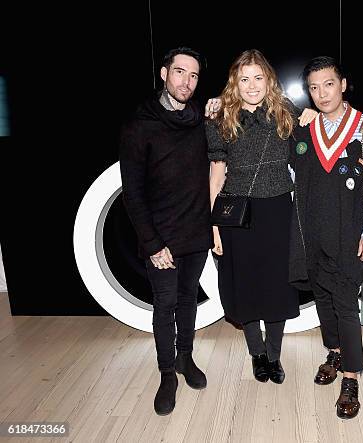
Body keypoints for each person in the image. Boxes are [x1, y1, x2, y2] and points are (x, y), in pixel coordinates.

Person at [206, 49, 315, 385]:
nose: (251, 85)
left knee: (278, 285)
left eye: (257, 77)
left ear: (268, 80)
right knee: (246, 284)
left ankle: (274, 354)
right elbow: (216, 172)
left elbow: (314, 138)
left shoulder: (286, 112)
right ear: (234, 83)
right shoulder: (219, 116)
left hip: (278, 209)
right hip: (237, 212)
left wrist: (312, 116)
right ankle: (257, 353)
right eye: (244, 79)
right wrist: (213, 226)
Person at [289, 56, 363, 419]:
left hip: (352, 233)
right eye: (314, 87)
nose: (321, 93)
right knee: (324, 299)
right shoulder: (305, 128)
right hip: (313, 232)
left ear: (343, 84)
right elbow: (292, 170)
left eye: (328, 84)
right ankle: (334, 351)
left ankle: (350, 378)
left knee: (346, 303)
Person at [119, 47, 211, 416]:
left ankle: (185, 358)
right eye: (180, 72)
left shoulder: (201, 119)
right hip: (162, 239)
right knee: (165, 304)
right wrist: (153, 243)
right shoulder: (139, 125)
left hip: (195, 232)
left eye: (193, 76)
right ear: (163, 74)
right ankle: (167, 373)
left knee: (188, 299)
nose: (186, 81)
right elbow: (132, 192)